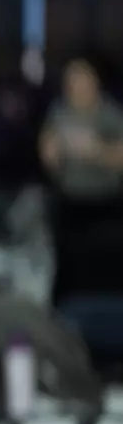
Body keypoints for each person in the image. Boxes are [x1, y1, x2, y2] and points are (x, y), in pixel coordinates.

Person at [40, 59, 123, 301]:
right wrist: (50, 151)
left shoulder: (110, 113)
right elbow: (46, 147)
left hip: (105, 206)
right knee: (67, 269)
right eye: (70, 81)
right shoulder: (59, 112)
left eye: (80, 79)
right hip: (70, 204)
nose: (74, 86)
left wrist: (95, 150)